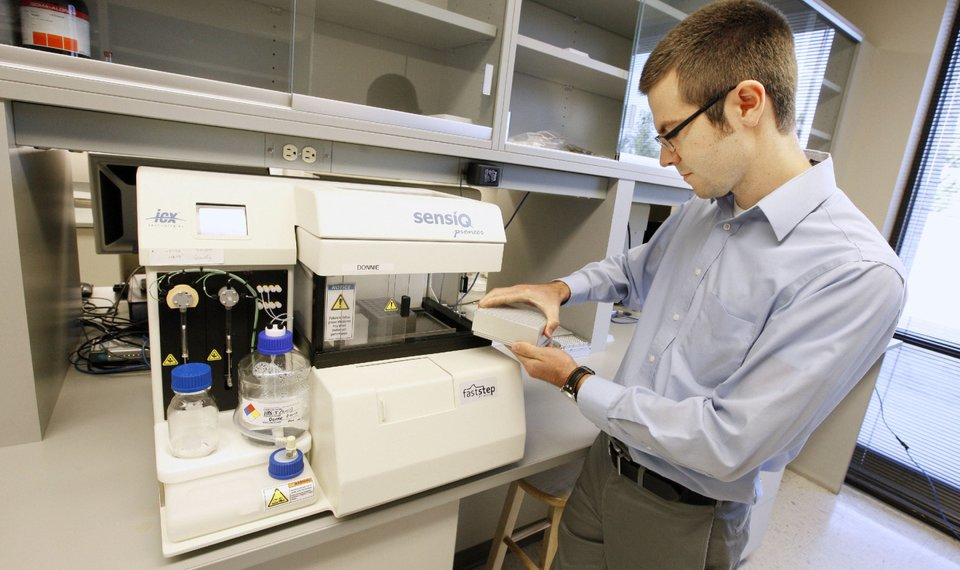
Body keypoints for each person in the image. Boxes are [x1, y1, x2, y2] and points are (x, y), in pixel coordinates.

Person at [478, 1, 906, 568]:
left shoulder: (855, 273)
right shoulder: (707, 204)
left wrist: (575, 380)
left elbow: (727, 441)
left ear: (746, 103)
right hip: (607, 465)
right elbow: (635, 271)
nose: (663, 159)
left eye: (672, 133)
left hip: (682, 511)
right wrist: (561, 288)